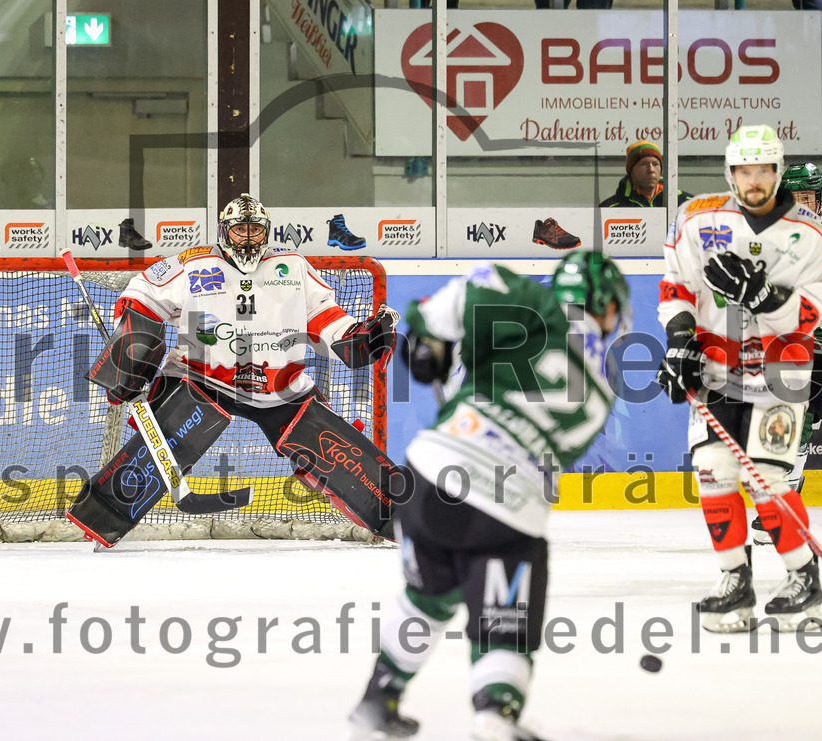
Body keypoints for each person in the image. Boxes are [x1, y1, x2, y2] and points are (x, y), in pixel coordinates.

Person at [348, 252, 630, 741]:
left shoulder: (525, 300)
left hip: (428, 475)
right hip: (506, 505)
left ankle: (377, 701)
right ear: (604, 305)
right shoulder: (601, 397)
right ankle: (494, 713)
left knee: (428, 596)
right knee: (505, 613)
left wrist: (428, 341)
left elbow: (454, 297)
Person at [68, 194, 401, 545]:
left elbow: (325, 317)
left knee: (335, 450)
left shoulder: (293, 267)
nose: (248, 237)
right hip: (203, 377)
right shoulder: (192, 264)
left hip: (280, 387)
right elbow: (144, 294)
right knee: (172, 431)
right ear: (224, 231)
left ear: (267, 232)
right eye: (240, 229)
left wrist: (356, 336)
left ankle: (403, 518)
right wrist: (128, 353)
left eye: (255, 229)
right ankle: (102, 515)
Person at [655, 126, 822, 633]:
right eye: (743, 170)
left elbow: (807, 316)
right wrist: (680, 339)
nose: (752, 181)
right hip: (716, 366)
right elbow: (677, 287)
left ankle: (804, 580)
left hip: (781, 370)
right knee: (712, 470)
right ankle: (734, 581)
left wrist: (764, 299)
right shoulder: (698, 219)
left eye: (762, 170)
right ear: (729, 172)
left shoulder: (814, 236)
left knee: (768, 478)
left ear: (778, 172)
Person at [751, 163, 822, 549]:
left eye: (808, 198)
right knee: (789, 425)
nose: (803, 205)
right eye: (794, 199)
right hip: (802, 348)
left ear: (821, 197)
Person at [600, 140, 691, 209]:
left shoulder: (686, 202)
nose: (651, 170)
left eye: (655, 164)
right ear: (631, 171)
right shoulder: (611, 208)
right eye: (643, 164)